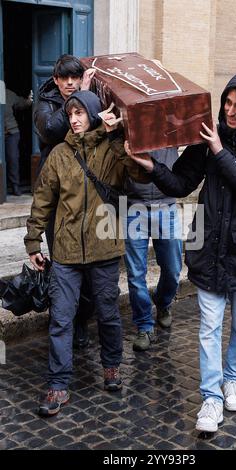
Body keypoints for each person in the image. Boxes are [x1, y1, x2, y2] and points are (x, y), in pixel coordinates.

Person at [125, 71, 236, 433]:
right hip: (209, 246)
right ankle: (211, 397)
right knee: (209, 327)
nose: (229, 112)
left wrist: (218, 149)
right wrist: (153, 168)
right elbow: (181, 182)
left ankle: (233, 378)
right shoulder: (206, 139)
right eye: (227, 103)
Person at [24, 90, 148, 417]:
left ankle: (111, 367)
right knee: (61, 318)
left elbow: (134, 176)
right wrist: (34, 241)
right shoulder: (59, 155)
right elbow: (43, 201)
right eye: (71, 113)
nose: (75, 119)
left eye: (80, 113)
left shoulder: (111, 149)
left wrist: (116, 135)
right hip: (65, 253)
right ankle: (58, 383)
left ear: (93, 114)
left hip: (104, 249)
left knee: (107, 314)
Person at [34, 54, 95, 349]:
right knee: (62, 262)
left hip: (84, 191)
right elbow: (51, 131)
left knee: (85, 259)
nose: (70, 83)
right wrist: (81, 94)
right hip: (56, 193)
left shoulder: (88, 94)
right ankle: (62, 320)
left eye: (75, 78)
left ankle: (81, 320)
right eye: (65, 79)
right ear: (56, 80)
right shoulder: (45, 103)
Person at [123, 148, 183, 351]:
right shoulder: (126, 117)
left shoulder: (168, 117)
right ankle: (144, 325)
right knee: (135, 274)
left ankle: (163, 301)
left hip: (166, 204)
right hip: (133, 205)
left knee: (173, 269)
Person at [4, 87, 33, 195]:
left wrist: (29, 100)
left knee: (13, 159)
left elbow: (21, 103)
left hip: (11, 132)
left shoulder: (7, 92)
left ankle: (15, 185)